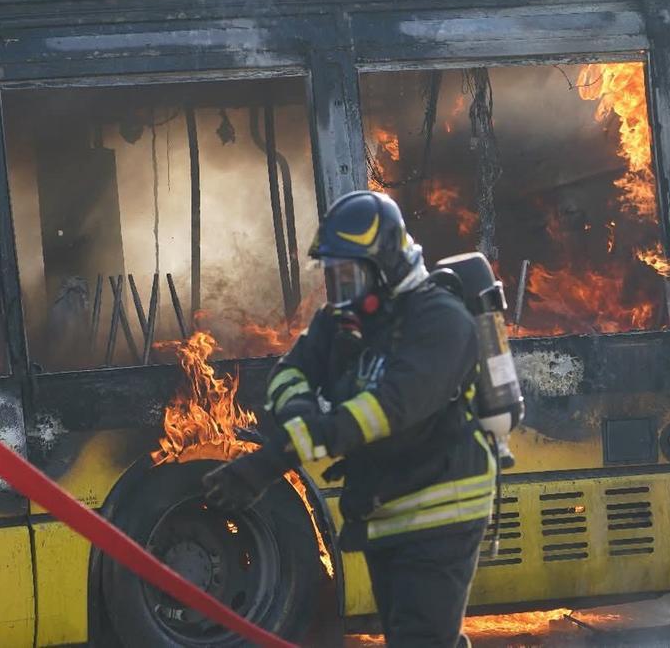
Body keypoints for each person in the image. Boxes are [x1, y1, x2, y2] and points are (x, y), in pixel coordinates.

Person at [204, 190, 494, 648]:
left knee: (421, 639)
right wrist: (299, 411)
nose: (340, 294)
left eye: (350, 278)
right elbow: (287, 375)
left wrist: (272, 460)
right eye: (333, 279)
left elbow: (384, 413)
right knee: (412, 637)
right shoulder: (343, 321)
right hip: (383, 506)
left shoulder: (441, 323)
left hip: (441, 507)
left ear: (386, 269)